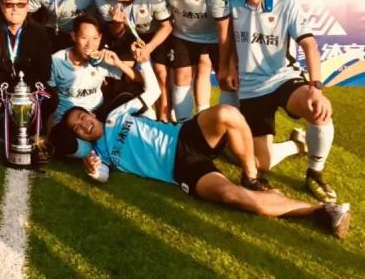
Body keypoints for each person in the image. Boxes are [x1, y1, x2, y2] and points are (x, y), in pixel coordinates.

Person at [57, 63, 350, 239]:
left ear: (90, 113)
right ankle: (322, 211)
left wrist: (144, 61)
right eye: (76, 127)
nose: (82, 125)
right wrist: (93, 171)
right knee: (233, 197)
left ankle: (251, 176)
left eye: (81, 117)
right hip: (181, 168)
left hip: (184, 135)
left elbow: (153, 92)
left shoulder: (116, 113)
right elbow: (102, 175)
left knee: (227, 113)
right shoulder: (99, 153)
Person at [226, 0, 338, 203]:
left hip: (282, 78)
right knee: (260, 164)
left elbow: (309, 44)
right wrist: (230, 66)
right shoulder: (232, 3)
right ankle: (297, 144)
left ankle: (315, 173)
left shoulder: (285, 2)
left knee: (318, 109)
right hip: (251, 88)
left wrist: (316, 88)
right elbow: (228, 41)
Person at [141, 0, 233, 122]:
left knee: (225, 81)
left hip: (215, 38)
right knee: (181, 78)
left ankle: (229, 125)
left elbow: (224, 29)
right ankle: (183, 127)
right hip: (184, 36)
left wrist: (225, 65)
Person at [96, 0, 173, 121]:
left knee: (161, 73)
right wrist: (118, 24)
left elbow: (167, 26)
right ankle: (132, 118)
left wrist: (148, 49)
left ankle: (164, 119)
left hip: (154, 35)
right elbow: (116, 34)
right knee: (126, 74)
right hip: (127, 36)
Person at [48, 15, 136, 124]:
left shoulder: (103, 59)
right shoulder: (56, 61)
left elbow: (139, 80)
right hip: (67, 119)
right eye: (84, 38)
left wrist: (118, 63)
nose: (90, 45)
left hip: (98, 113)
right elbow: (48, 98)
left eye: (95, 38)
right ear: (74, 36)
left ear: (100, 38)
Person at [0, 0, 53, 110]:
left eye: (20, 4)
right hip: (0, 89)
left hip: (29, 89)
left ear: (27, 7)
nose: (15, 9)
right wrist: (7, 92)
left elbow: (44, 70)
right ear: (2, 7)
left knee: (52, 99)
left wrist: (24, 92)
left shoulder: (38, 32)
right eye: (9, 4)